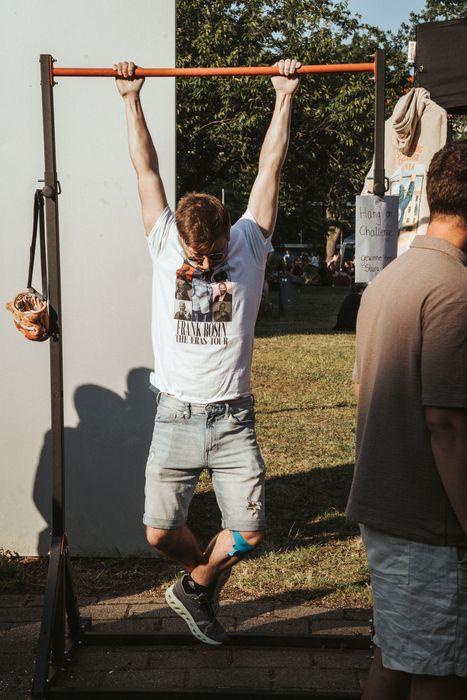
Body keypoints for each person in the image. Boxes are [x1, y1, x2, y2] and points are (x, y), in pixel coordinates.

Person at [114, 58, 301, 645]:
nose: (203, 265)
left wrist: (283, 95)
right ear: (180, 240)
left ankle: (196, 586)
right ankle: (199, 579)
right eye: (195, 257)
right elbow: (146, 169)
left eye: (213, 255)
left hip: (233, 416)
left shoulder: (249, 240)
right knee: (158, 534)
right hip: (175, 412)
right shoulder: (164, 238)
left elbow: (270, 166)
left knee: (250, 533)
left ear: (226, 234)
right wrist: (130, 99)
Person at [346, 141, 467, 699]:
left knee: (394, 657)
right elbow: (447, 424)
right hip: (431, 521)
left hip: (386, 506)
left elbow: (361, 390)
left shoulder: (388, 281)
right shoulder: (455, 291)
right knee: (440, 673)